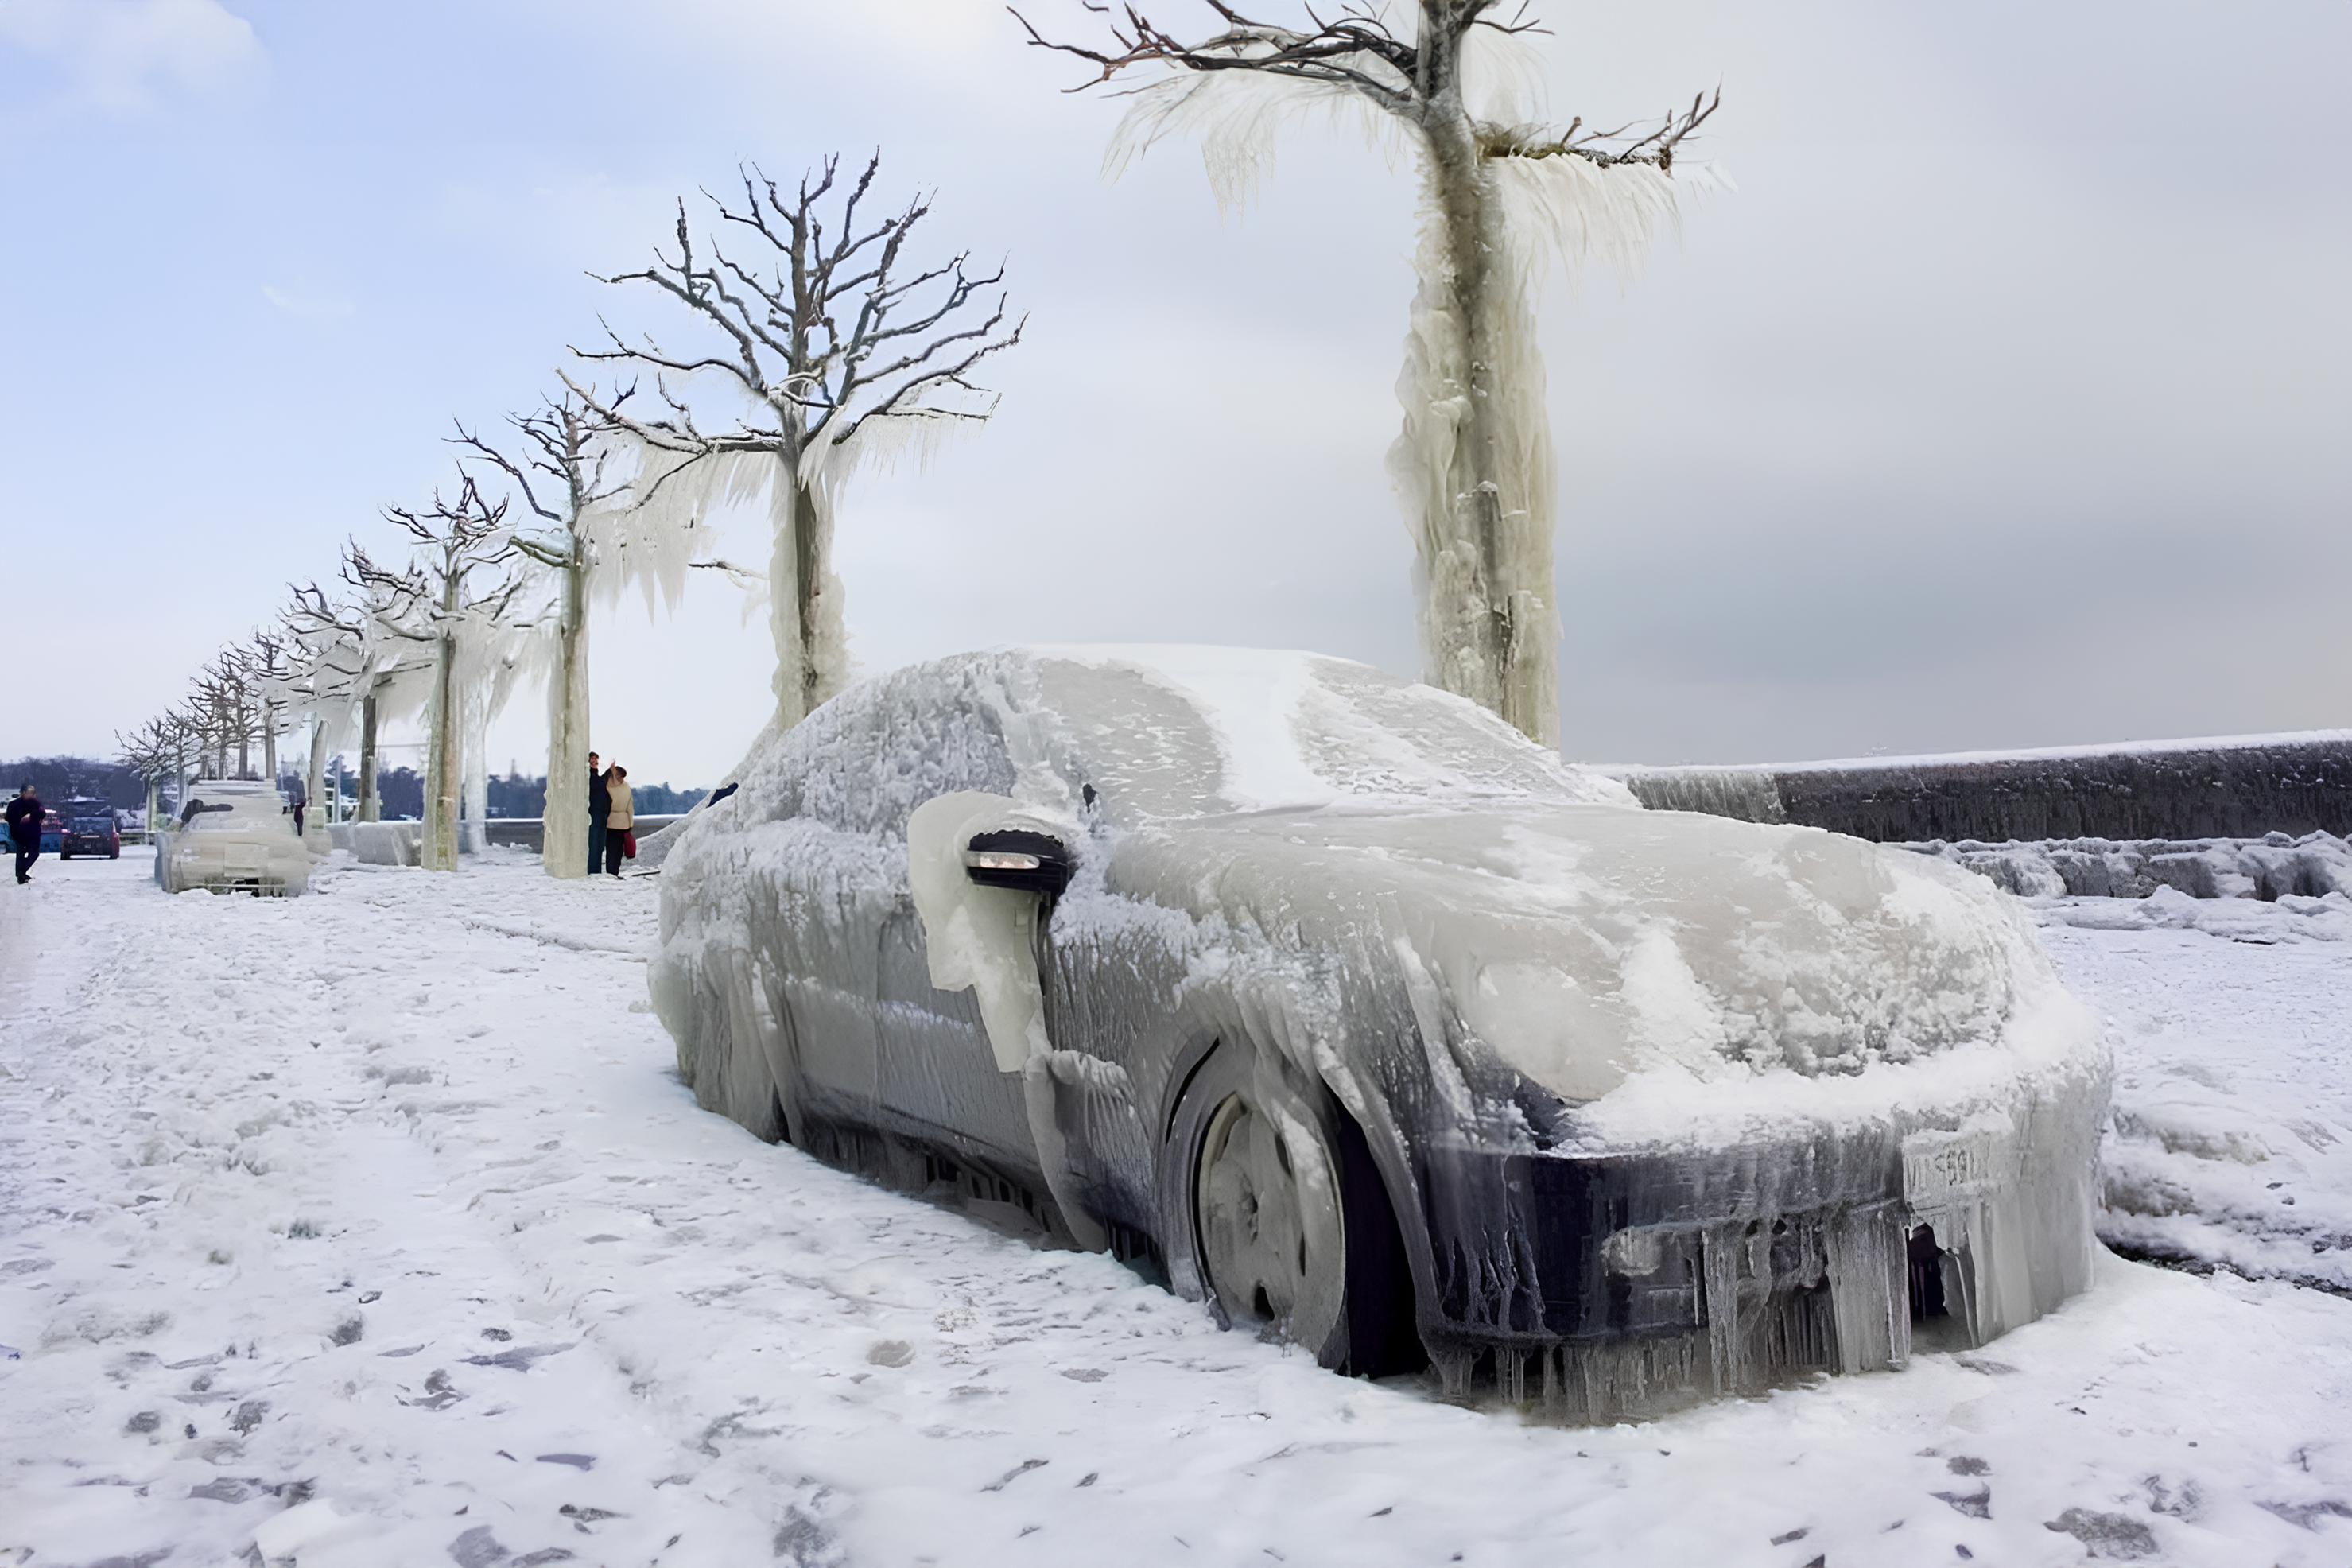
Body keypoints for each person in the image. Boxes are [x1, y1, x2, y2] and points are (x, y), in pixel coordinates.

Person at [7, 783, 43, 884]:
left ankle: (21, 873)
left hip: (32, 834)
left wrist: (31, 815)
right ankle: (21, 874)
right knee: (21, 853)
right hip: (20, 833)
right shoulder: (14, 804)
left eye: (31, 792)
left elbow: (42, 813)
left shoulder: (35, 803)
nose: (29, 794)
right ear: (22, 793)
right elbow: (10, 819)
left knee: (34, 854)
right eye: (27, 792)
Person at [603, 764, 634, 877]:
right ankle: (615, 871)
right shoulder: (627, 787)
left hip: (611, 823)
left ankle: (611, 872)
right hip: (623, 824)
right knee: (618, 851)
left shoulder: (607, 787)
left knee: (612, 850)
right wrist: (630, 822)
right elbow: (630, 806)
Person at [587, 751, 610, 875]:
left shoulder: (595, 775)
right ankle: (593, 870)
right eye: (592, 761)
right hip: (595, 814)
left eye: (596, 761)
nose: (595, 763)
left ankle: (596, 870)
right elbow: (598, 783)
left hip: (601, 814)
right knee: (595, 843)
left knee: (600, 844)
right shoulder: (589, 777)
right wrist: (609, 771)